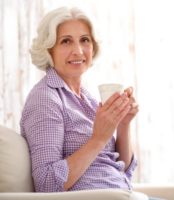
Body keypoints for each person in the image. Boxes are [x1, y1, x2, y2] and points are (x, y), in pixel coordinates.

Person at [20, 6, 139, 193]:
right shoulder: (45, 99)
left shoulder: (88, 99)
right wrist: (98, 138)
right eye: (66, 41)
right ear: (49, 49)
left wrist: (123, 124)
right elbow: (46, 183)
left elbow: (120, 170)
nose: (78, 51)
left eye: (85, 40)